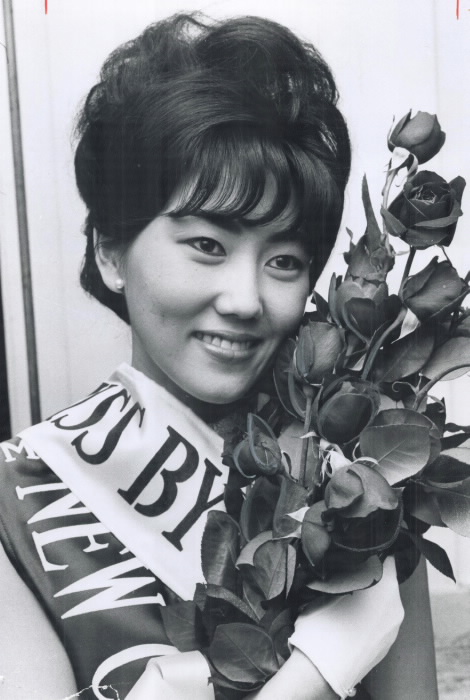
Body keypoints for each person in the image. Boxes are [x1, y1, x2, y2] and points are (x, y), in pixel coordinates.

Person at [0, 13, 437, 700]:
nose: (245, 298)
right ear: (112, 251)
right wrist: (315, 675)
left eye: (285, 259)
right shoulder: (19, 502)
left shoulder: (363, 473)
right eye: (207, 243)